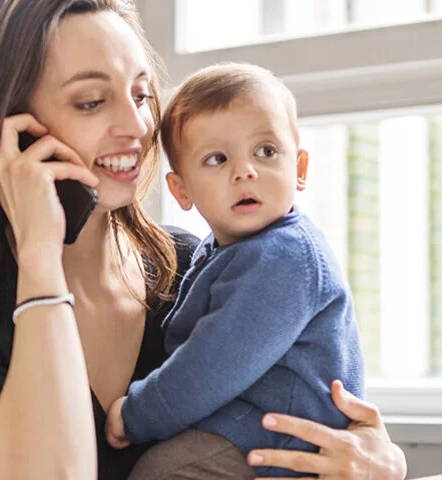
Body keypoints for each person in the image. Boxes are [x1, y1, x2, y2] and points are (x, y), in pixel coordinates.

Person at [0, 1, 408, 479]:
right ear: (8, 129)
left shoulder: (190, 269)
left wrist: (378, 461)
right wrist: (40, 257)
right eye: (91, 101)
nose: (138, 127)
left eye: (140, 94)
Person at [103, 62, 364, 479]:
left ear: (299, 170)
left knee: (162, 471)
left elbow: (210, 365)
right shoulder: (224, 249)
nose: (245, 171)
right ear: (181, 190)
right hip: (250, 426)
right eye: (217, 158)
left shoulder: (284, 258)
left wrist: (136, 415)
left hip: (283, 441)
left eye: (265, 151)